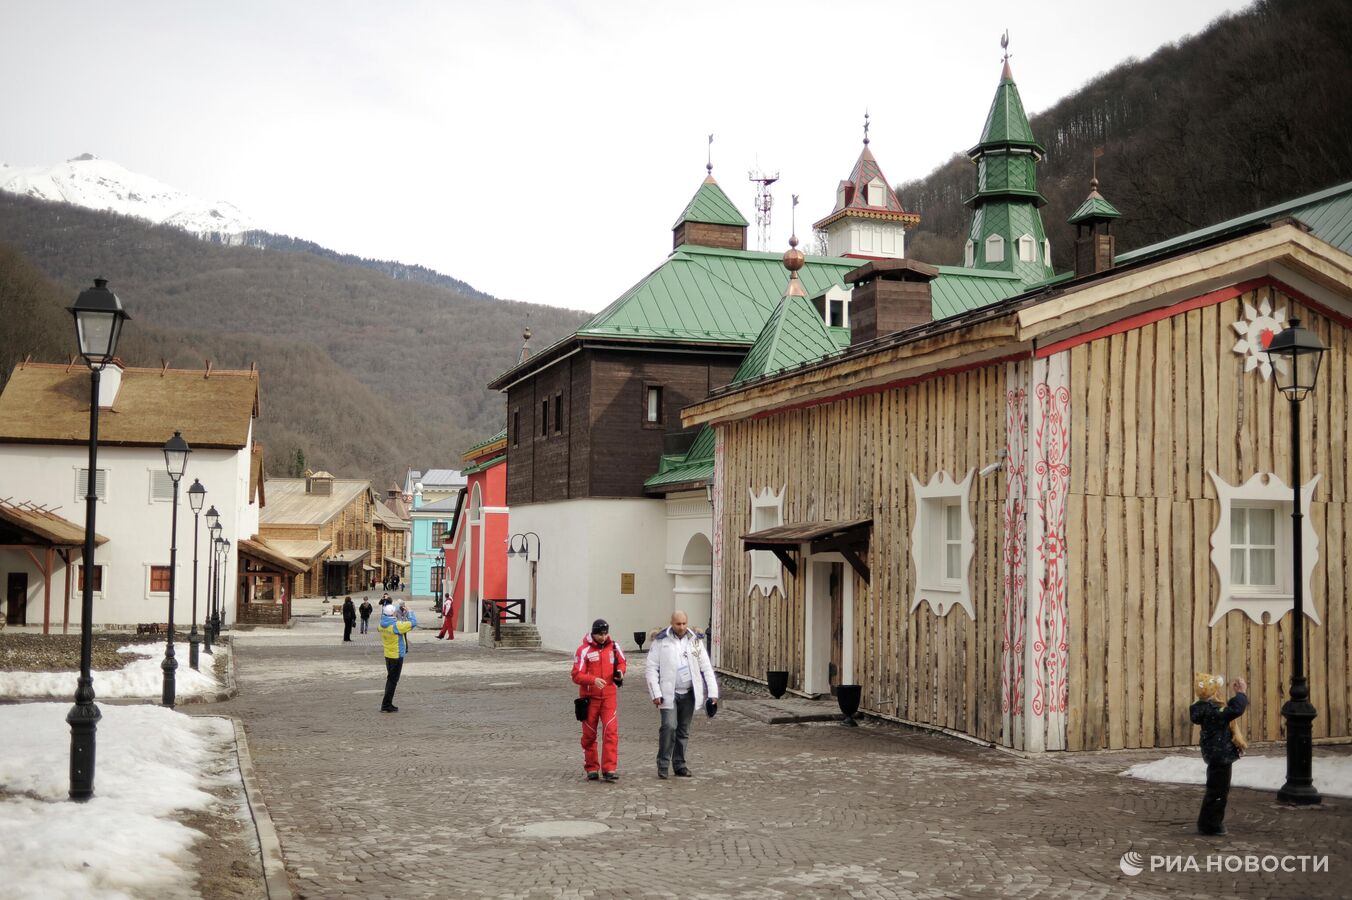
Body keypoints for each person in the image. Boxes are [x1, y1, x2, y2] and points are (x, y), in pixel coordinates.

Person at [645, 610, 719, 780]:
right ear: (672, 623)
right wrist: (655, 692)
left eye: (684, 623)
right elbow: (651, 668)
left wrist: (713, 693)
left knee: (683, 730)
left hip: (689, 693)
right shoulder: (661, 641)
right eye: (678, 624)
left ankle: (679, 764)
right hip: (668, 693)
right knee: (669, 727)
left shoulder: (695, 641)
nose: (682, 627)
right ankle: (663, 764)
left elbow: (706, 667)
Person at [1190, 672, 1249, 836]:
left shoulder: (1203, 709)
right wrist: (1241, 693)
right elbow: (1234, 709)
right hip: (1220, 756)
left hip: (1215, 756)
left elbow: (1227, 710)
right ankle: (1210, 824)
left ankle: (1208, 822)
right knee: (1218, 791)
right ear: (1214, 693)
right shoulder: (1214, 712)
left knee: (1214, 788)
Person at [572, 618, 627, 782]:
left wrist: (620, 672)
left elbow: (622, 663)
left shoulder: (615, 647)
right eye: (599, 634)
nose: (603, 637)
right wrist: (592, 680)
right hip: (590, 699)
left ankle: (609, 769)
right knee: (589, 735)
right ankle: (591, 768)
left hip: (609, 697)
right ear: (593, 633)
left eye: (605, 634)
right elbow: (576, 674)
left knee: (611, 732)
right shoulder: (583, 650)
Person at [377, 600, 417, 712]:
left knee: (390, 679)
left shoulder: (381, 624)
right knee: (392, 681)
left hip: (388, 655)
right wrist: (410, 611)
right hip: (396, 656)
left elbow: (384, 620)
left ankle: (387, 703)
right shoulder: (396, 626)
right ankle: (386, 705)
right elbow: (413, 622)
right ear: (393, 613)